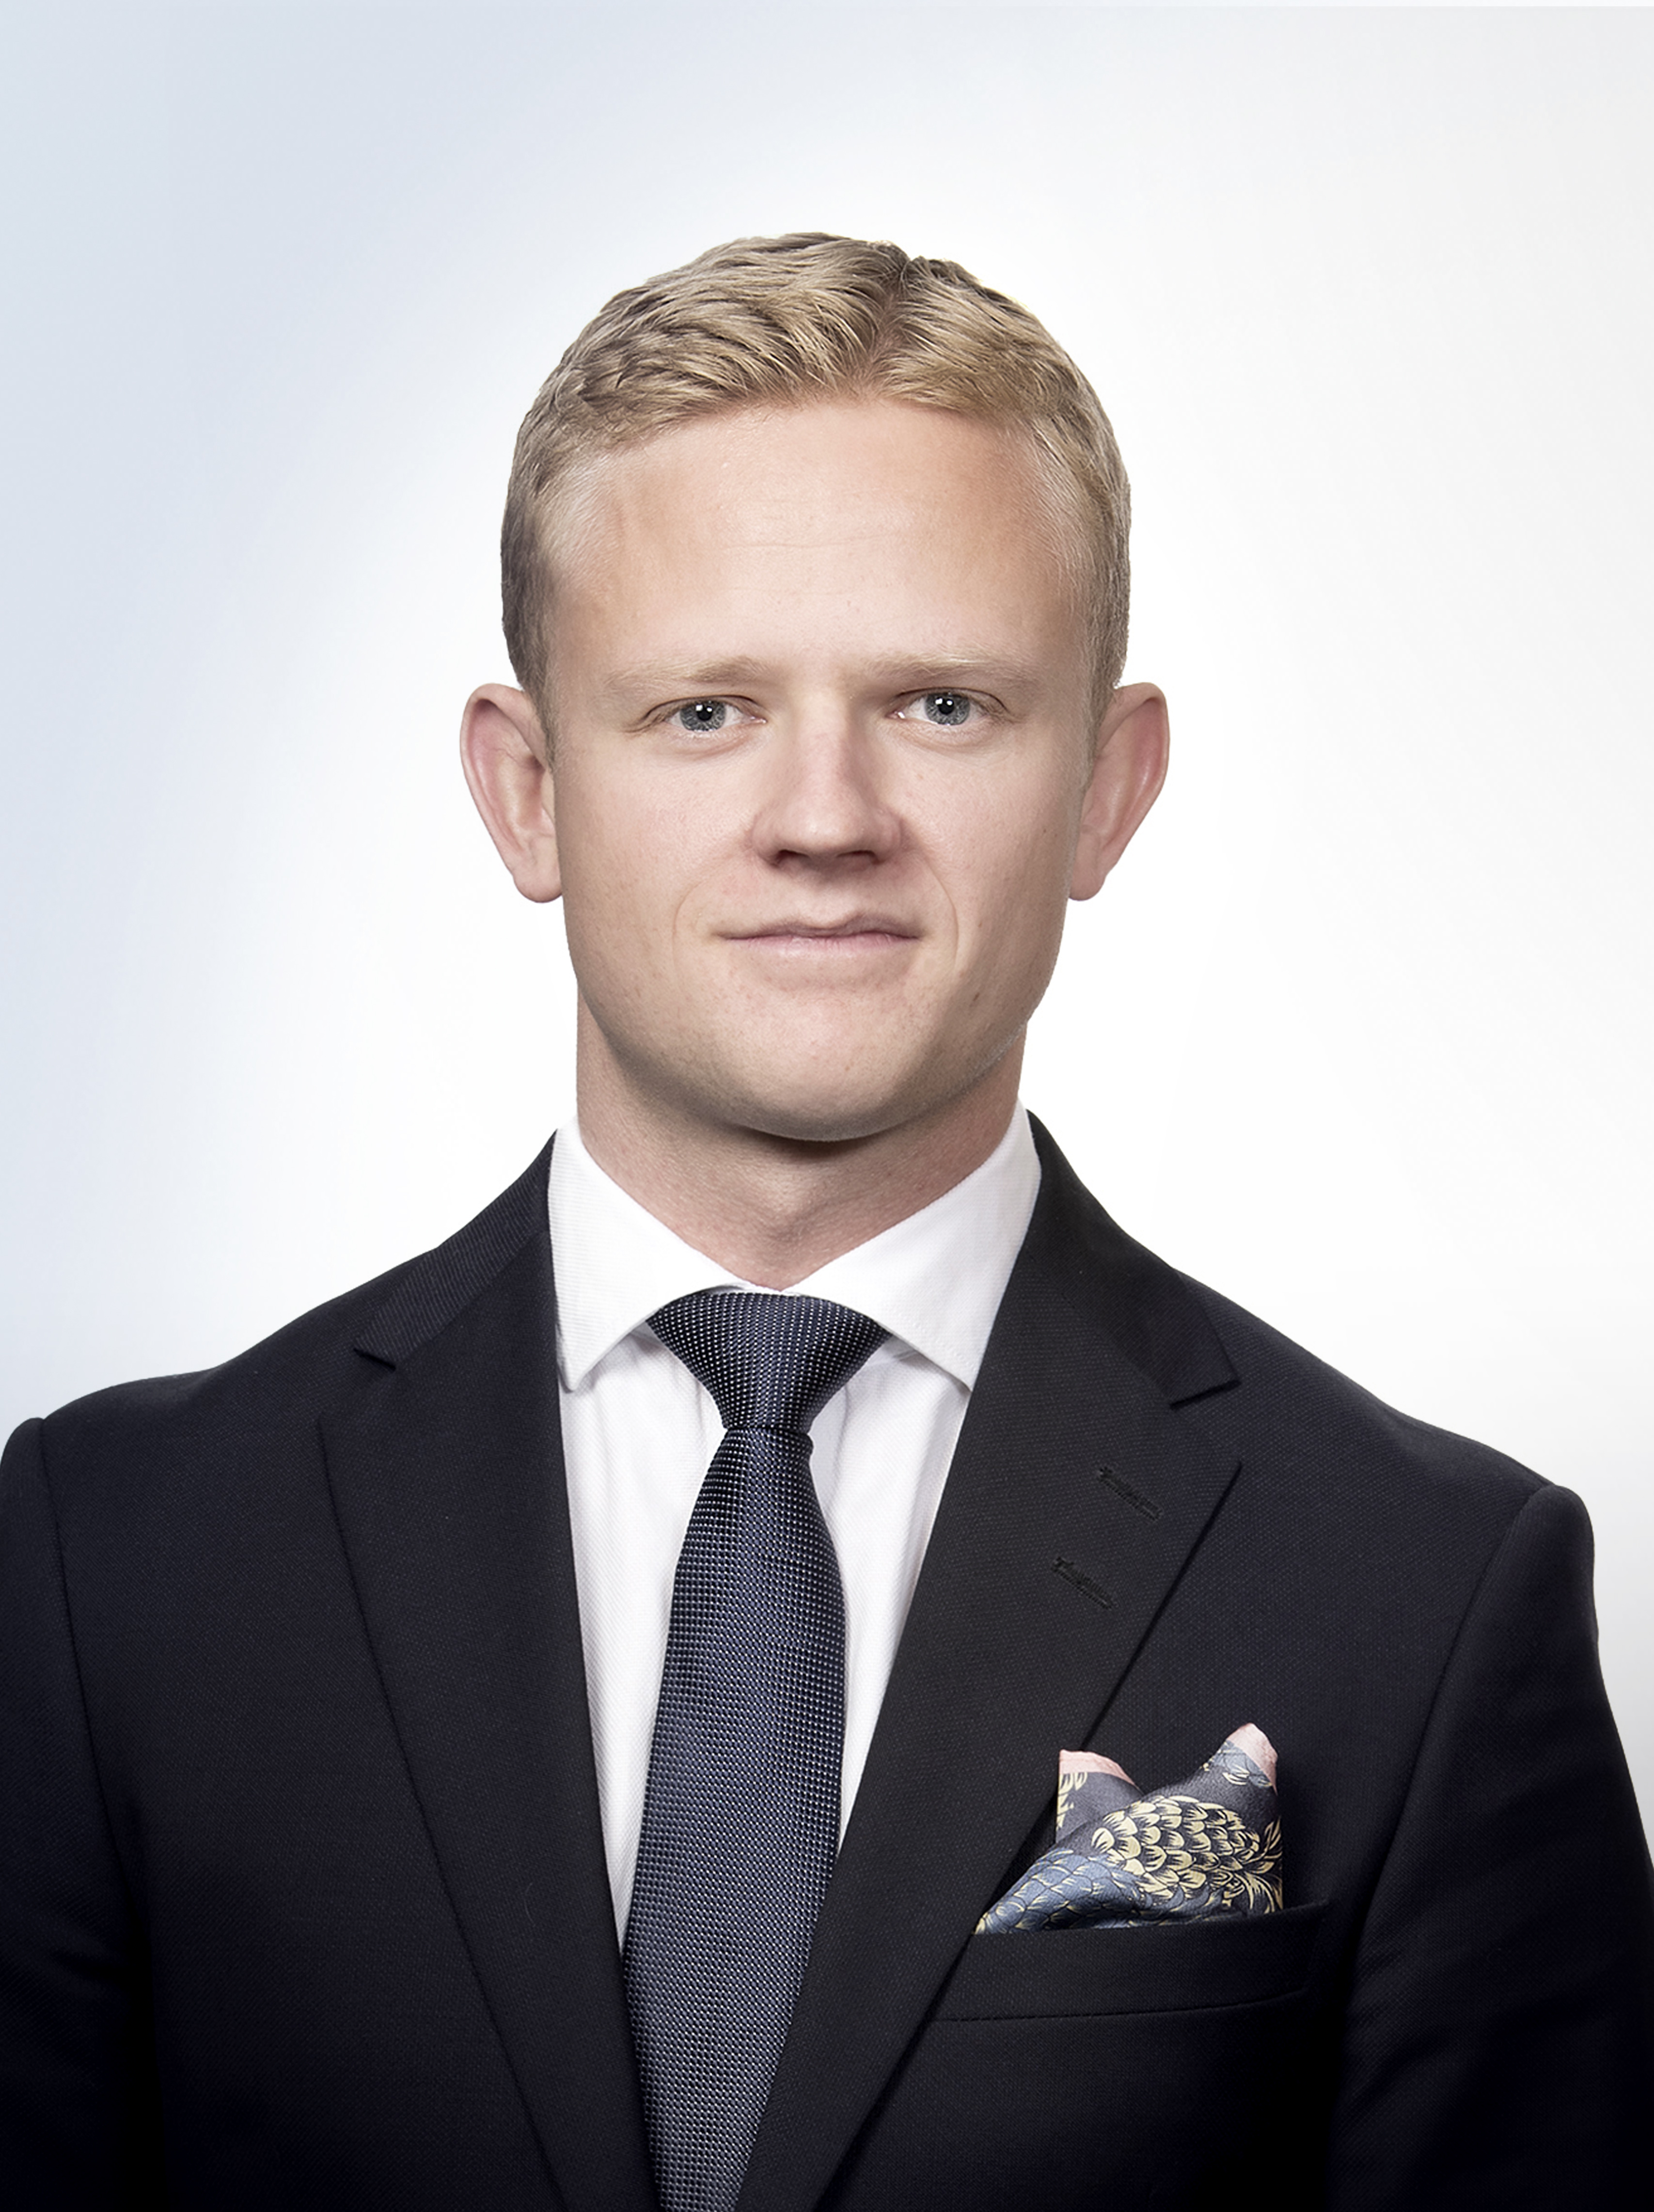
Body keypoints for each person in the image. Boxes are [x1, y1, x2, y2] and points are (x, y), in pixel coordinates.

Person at [1, 234, 1649, 2212]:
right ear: (525, 792)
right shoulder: (115, 1564)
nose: (824, 815)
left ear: (1105, 789)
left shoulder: (1424, 1596)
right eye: (703, 711)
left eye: (941, 703)